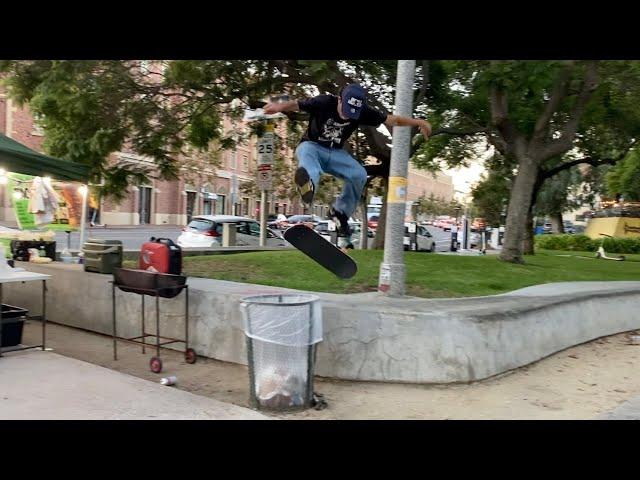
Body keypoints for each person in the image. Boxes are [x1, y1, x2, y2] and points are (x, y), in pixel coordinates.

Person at [263, 83, 431, 245]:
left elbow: (393, 120)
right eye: (345, 110)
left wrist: (418, 122)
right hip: (311, 146)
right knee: (309, 161)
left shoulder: (364, 111)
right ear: (340, 99)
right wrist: (279, 106)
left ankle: (340, 212)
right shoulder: (324, 101)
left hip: (336, 154)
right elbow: (296, 104)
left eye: (352, 113)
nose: (347, 116)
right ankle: (308, 183)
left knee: (359, 174)